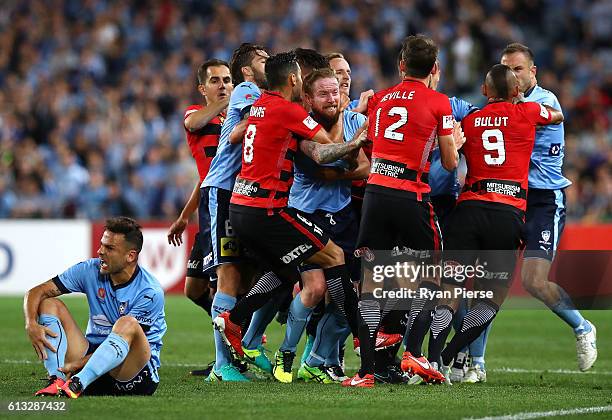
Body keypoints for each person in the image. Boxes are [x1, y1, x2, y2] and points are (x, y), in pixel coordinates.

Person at [213, 52, 370, 380]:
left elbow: (243, 136)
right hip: (266, 209)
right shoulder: (289, 110)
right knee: (334, 256)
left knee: (285, 270)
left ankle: (236, 320)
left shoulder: (262, 106)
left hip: (242, 206)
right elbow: (325, 151)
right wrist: (356, 142)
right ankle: (361, 345)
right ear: (294, 80)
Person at [425, 64, 563, 384]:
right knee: (490, 297)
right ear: (516, 92)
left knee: (450, 291)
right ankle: (450, 356)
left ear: (485, 92)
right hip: (507, 215)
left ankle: (432, 360)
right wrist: (528, 106)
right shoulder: (528, 111)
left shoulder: (470, 119)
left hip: (468, 211)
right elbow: (556, 115)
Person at [345, 34, 461, 388]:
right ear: (435, 69)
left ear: (401, 66)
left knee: (370, 284)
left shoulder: (380, 100)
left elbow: (366, 147)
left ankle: (365, 373)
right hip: (411, 195)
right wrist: (454, 144)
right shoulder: (440, 102)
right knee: (434, 272)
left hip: (377, 193)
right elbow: (450, 162)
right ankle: (413, 351)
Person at [500, 42, 597, 373]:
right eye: (505, 69)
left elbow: (519, 121)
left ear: (532, 72)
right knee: (490, 279)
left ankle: (583, 327)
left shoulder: (545, 100)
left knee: (534, 282)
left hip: (543, 199)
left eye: (517, 69)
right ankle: (476, 362)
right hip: (509, 197)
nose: (510, 75)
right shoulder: (503, 104)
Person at [278, 67, 371, 384]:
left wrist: (341, 167)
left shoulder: (355, 121)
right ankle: (286, 354)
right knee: (315, 290)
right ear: (307, 97)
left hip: (343, 216)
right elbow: (319, 166)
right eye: (324, 94)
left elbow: (364, 169)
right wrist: (349, 154)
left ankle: (316, 359)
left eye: (335, 92)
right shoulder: (301, 124)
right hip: (305, 215)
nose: (332, 99)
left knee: (350, 296)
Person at [25, 217, 166, 398]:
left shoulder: (149, 291)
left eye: (109, 248)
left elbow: (131, 346)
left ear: (130, 256)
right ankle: (57, 380)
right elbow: (37, 291)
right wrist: (31, 323)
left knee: (128, 324)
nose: (100, 252)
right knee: (48, 303)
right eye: (101, 245)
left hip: (131, 373)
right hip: (89, 357)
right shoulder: (89, 270)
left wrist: (78, 365)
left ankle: (77, 383)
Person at [200, 43, 272, 382]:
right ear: (247, 70)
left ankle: (247, 345)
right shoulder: (247, 89)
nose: (268, 62)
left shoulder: (262, 92)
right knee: (228, 276)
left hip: (246, 193)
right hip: (224, 190)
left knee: (254, 276)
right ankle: (222, 366)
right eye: (262, 60)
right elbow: (240, 132)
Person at [166, 59, 232, 376]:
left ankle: (230, 353)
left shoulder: (239, 118)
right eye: (215, 80)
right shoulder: (197, 115)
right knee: (194, 289)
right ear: (202, 88)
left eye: (227, 80)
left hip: (230, 204)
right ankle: (233, 332)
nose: (222, 85)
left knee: (222, 283)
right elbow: (193, 126)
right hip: (208, 205)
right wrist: (184, 217)